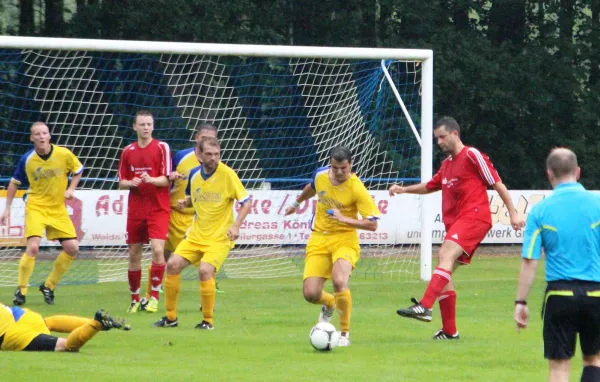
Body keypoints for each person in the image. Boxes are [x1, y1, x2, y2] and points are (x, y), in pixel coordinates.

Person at [390, 116, 524, 339]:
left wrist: (513, 212)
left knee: (444, 255)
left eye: (442, 137)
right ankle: (450, 332)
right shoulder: (447, 165)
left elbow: (496, 182)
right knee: (443, 274)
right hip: (459, 222)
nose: (439, 142)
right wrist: (404, 190)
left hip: (474, 217)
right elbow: (430, 186)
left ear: (455, 134)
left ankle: (424, 306)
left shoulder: (471, 155)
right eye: (437, 139)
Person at [515, 148, 600, 382]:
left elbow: (530, 259)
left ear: (549, 174)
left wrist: (521, 301)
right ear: (578, 172)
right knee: (594, 360)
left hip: (559, 295)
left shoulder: (540, 211)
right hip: (596, 293)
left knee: (559, 368)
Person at [285, 146, 381, 347]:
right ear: (330, 164)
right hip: (319, 239)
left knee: (339, 281)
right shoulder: (321, 175)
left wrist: (343, 218)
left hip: (345, 239)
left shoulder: (356, 188)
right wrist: (296, 203)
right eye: (335, 167)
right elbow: (312, 187)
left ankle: (344, 333)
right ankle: (330, 304)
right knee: (310, 294)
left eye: (343, 169)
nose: (338, 172)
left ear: (351, 166)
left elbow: (372, 224)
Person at [153, 137, 251, 329]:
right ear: (199, 154)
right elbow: (195, 197)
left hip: (219, 238)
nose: (214, 158)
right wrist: (187, 203)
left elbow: (246, 203)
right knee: (172, 264)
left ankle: (207, 321)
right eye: (209, 154)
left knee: (205, 270)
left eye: (217, 154)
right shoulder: (194, 175)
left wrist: (236, 226)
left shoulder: (228, 175)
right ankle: (170, 318)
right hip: (196, 235)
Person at [1, 122, 84, 306]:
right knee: (33, 248)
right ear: (32, 138)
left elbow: (78, 170)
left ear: (49, 136)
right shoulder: (27, 159)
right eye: (37, 134)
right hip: (36, 206)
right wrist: (7, 208)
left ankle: (49, 286)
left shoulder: (63, 154)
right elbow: (14, 183)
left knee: (73, 248)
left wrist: (71, 188)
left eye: (44, 133)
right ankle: (21, 289)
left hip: (57, 209)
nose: (41, 137)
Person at [141, 123, 222, 301]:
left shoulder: (216, 163)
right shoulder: (181, 156)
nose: (207, 142)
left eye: (212, 139)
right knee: (164, 254)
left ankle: (210, 287)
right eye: (204, 138)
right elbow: (166, 178)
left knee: (205, 255)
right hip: (173, 213)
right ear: (196, 138)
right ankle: (153, 289)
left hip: (196, 217)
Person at [118, 110, 171, 314]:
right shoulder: (128, 151)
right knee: (134, 254)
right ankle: (134, 299)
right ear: (135, 127)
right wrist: (130, 182)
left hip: (158, 207)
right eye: (142, 124)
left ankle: (154, 297)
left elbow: (167, 179)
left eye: (149, 124)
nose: (146, 128)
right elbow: (121, 182)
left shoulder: (161, 147)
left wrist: (152, 180)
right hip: (136, 208)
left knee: (158, 250)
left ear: (153, 126)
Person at [0, 302, 130, 352]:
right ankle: (104, 323)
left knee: (65, 346)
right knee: (48, 323)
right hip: (21, 315)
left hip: (12, 335)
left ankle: (96, 323)